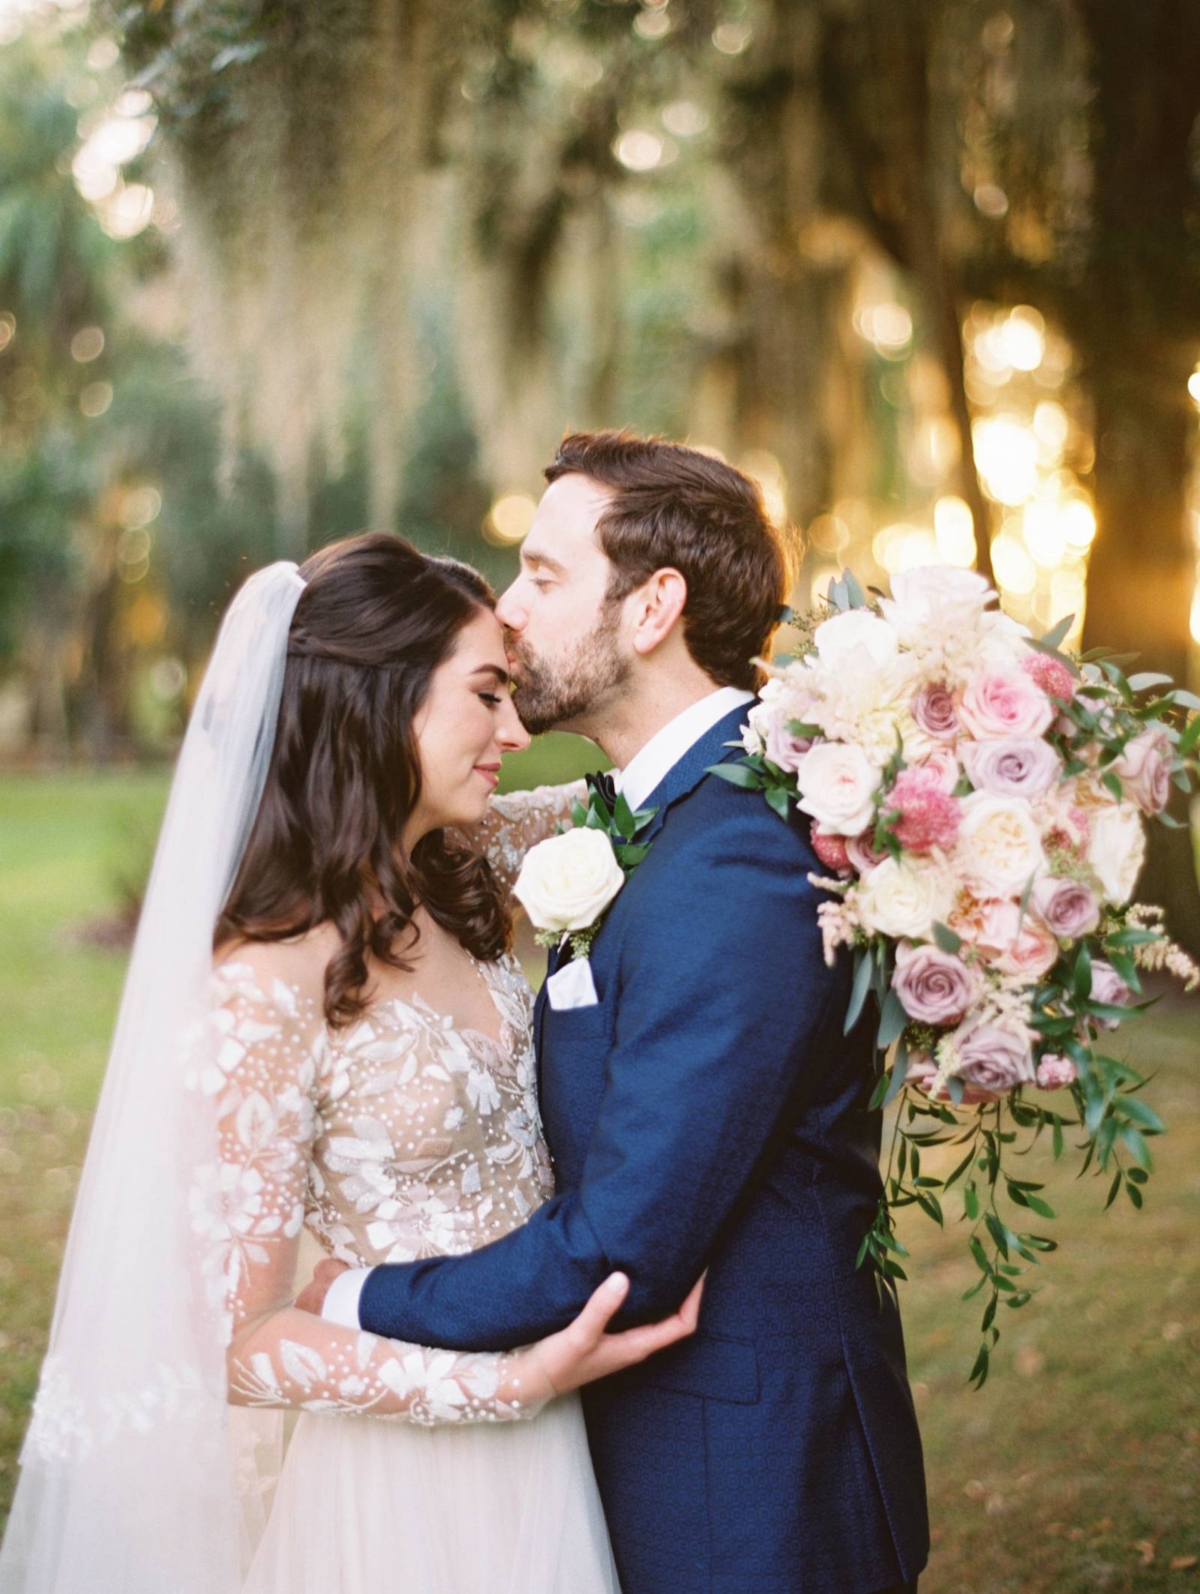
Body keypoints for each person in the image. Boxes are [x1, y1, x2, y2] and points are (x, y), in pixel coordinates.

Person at [0, 533, 700, 1594]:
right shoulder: (261, 983)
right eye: (487, 694)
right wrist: (502, 1387)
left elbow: (655, 794)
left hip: (565, 1430)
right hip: (408, 1480)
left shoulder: (457, 867)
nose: (517, 729)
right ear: (380, 703)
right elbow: (239, 1337)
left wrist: (839, 719)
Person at [309, 431, 931, 1594]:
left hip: (751, 1492)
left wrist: (344, 1292)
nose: (505, 611)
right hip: (645, 1463)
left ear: (653, 608)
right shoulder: (657, 816)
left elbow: (622, 1249)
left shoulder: (735, 857)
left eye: (544, 575)